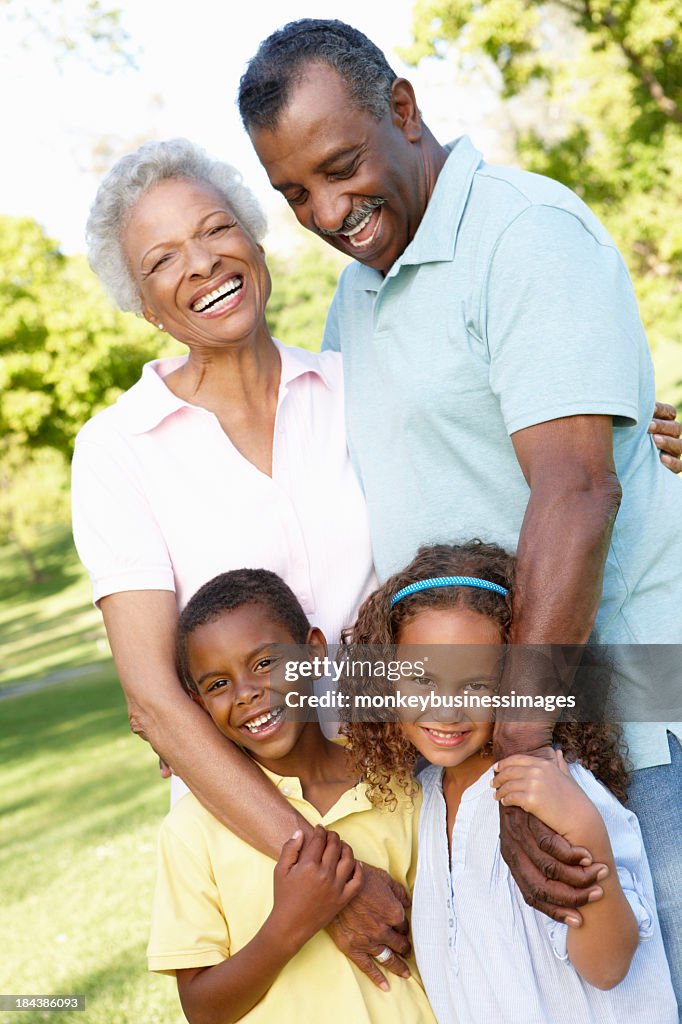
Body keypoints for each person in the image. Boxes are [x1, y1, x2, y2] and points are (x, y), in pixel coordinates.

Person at [238, 18, 682, 998]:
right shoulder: (354, 299)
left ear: (403, 108)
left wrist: (525, 749)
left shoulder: (523, 234)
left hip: (630, 723)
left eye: (341, 165)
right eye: (294, 193)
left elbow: (576, 488)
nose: (326, 210)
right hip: (485, 749)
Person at [71, 138, 413, 986]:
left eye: (217, 228)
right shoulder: (119, 449)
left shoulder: (353, 386)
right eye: (162, 260)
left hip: (409, 796)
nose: (202, 263)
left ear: (256, 244)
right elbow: (154, 698)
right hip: (257, 841)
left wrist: (646, 436)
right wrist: (326, 873)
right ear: (144, 305)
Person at [341, 541, 678, 1023]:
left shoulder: (553, 791)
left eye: (478, 684)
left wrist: (586, 831)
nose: (447, 707)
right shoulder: (428, 799)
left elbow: (607, 967)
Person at [147, 567, 436, 1024]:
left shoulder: (396, 783)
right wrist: (291, 922)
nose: (247, 693)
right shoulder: (193, 829)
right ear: (199, 704)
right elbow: (202, 1009)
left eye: (265, 663)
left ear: (315, 653)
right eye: (218, 684)